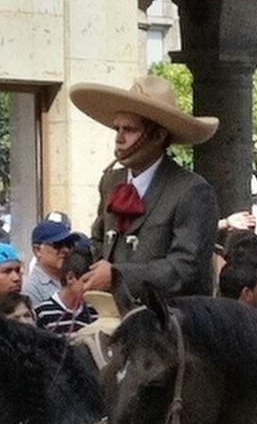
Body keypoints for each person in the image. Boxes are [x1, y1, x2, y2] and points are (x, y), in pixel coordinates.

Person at [69, 75, 220, 304]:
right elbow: (99, 239)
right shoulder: (110, 182)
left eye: (129, 129)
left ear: (158, 136)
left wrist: (118, 276)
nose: (119, 138)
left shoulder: (192, 191)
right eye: (117, 128)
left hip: (173, 323)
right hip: (116, 312)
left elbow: (185, 268)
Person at [35, 246, 99, 335]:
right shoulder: (43, 313)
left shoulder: (94, 312)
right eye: (85, 281)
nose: (90, 286)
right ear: (70, 278)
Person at [23, 216, 81, 308]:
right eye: (58, 244)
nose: (65, 250)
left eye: (69, 244)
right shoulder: (30, 288)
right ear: (37, 250)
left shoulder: (75, 278)